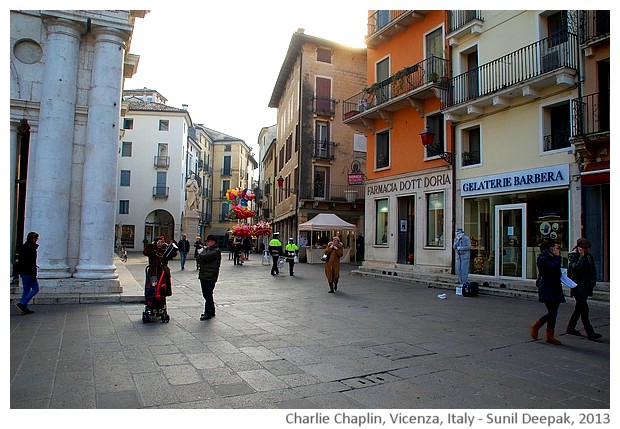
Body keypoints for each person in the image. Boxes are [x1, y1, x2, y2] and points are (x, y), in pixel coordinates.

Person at [566, 238, 602, 340]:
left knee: (579, 308)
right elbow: (577, 268)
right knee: (584, 309)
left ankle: (570, 327)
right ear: (579, 248)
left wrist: (592, 282)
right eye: (584, 249)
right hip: (577, 286)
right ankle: (590, 332)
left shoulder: (589, 256)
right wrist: (581, 256)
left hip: (586, 286)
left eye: (587, 249)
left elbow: (592, 270)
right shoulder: (573, 256)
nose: (586, 251)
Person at [530, 239, 565, 345]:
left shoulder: (551, 257)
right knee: (552, 312)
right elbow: (554, 267)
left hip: (555, 287)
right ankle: (537, 324)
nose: (558, 250)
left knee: (554, 312)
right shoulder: (543, 258)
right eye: (556, 248)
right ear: (550, 248)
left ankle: (550, 336)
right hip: (547, 288)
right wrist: (558, 256)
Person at [196, 234, 221, 321]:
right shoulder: (207, 249)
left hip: (210, 276)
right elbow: (198, 258)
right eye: (207, 241)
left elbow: (204, 256)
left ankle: (207, 313)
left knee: (207, 294)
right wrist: (201, 256)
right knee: (207, 294)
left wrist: (201, 255)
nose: (207, 243)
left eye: (209, 241)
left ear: (213, 242)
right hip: (204, 274)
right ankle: (212, 310)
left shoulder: (216, 251)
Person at [15, 231, 40, 314]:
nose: (37, 240)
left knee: (26, 290)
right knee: (35, 289)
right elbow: (31, 262)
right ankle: (22, 303)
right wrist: (34, 274)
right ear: (33, 239)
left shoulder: (24, 247)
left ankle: (24, 308)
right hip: (29, 272)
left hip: (23, 272)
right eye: (36, 238)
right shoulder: (31, 249)